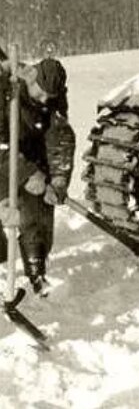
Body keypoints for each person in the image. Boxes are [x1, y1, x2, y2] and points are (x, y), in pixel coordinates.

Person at [0, 57, 75, 296]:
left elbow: (60, 139)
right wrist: (28, 173)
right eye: (40, 94)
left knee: (38, 210)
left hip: (28, 159)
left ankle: (37, 272)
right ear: (29, 80)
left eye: (49, 97)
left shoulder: (53, 100)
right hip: (4, 157)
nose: (44, 101)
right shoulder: (6, 90)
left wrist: (58, 180)